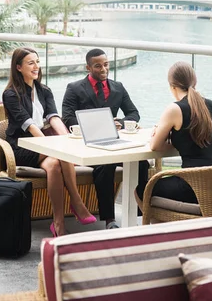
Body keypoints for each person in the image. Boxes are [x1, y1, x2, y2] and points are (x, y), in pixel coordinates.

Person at [3, 47, 96, 237]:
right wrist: (53, 145)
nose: (36, 66)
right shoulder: (11, 94)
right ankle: (77, 202)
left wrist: (66, 138)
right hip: (22, 146)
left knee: (54, 164)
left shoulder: (44, 90)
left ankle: (58, 223)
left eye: (37, 61)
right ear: (18, 67)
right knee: (59, 153)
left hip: (44, 146)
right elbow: (29, 125)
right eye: (31, 63)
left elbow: (53, 117)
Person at [62, 48, 149, 229]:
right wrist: (96, 125)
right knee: (105, 165)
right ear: (88, 67)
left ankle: (142, 214)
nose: (103, 69)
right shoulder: (74, 88)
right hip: (88, 145)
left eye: (106, 64)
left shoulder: (118, 88)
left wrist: (122, 123)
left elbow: (134, 113)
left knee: (142, 163)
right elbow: (67, 118)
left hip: (114, 141)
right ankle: (110, 220)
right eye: (98, 66)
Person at [135, 61, 212, 209]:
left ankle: (152, 225)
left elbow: (155, 146)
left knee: (142, 188)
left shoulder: (175, 109)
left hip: (190, 187)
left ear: (172, 86)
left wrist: (158, 131)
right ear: (195, 82)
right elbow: (194, 140)